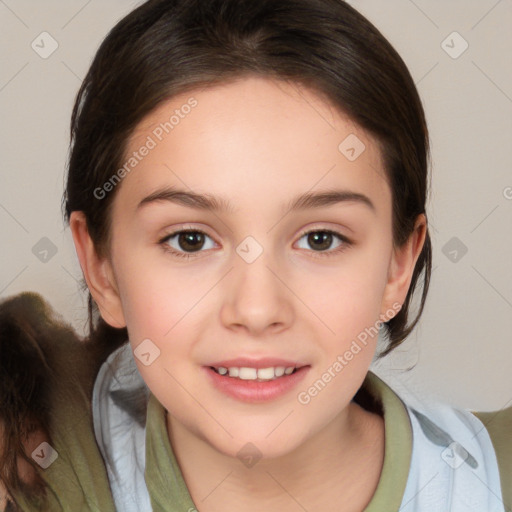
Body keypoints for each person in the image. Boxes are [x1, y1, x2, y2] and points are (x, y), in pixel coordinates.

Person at [1, 0, 510, 510]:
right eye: (190, 240)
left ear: (398, 267)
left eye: (320, 239)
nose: (258, 309)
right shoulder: (31, 465)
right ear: (102, 269)